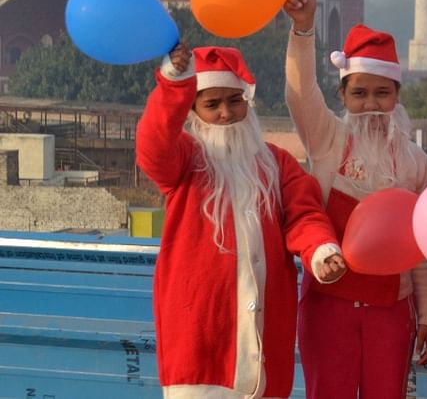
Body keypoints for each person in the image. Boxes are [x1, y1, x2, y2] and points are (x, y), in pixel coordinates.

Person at [136, 43, 347, 399]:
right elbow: (153, 148)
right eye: (212, 104)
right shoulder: (187, 161)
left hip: (266, 340)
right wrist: (173, 84)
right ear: (194, 109)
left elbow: (304, 215)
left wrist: (321, 252)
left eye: (235, 101)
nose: (225, 113)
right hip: (199, 339)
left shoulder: (276, 163)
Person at [283, 0, 427, 399]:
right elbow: (299, 96)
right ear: (342, 95)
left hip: (391, 311)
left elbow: (423, 248)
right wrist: (303, 30)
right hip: (327, 308)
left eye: (382, 93)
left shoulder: (413, 162)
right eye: (360, 94)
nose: (371, 104)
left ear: (398, 95)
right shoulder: (328, 140)